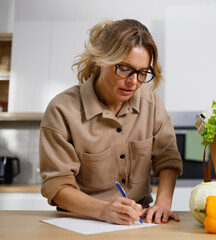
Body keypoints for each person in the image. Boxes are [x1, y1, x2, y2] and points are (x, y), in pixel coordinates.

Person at [39, 19, 183, 225]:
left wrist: (163, 203)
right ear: (101, 60)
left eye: (142, 73)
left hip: (138, 222)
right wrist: (105, 210)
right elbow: (57, 185)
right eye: (124, 69)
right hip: (81, 221)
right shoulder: (62, 109)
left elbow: (167, 157)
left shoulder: (150, 102)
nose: (133, 82)